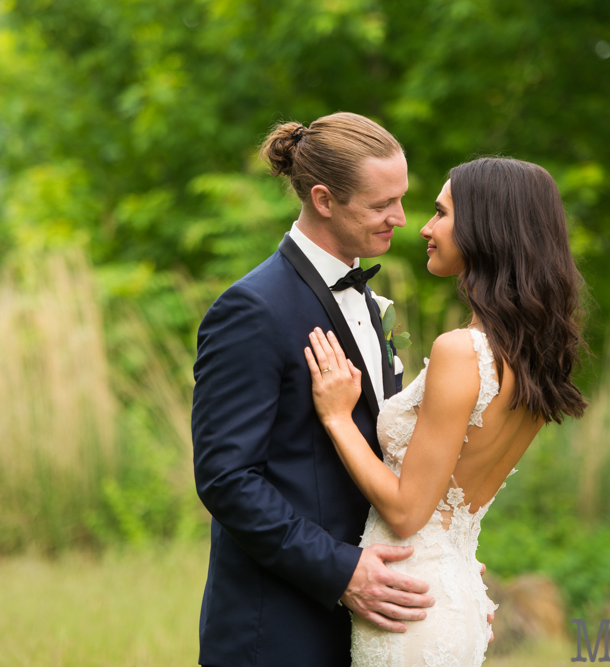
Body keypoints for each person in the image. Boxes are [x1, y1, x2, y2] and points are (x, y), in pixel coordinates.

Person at [304, 156, 589, 666]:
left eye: (440, 213)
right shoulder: (530, 359)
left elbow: (409, 511)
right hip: (452, 589)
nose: (424, 228)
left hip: (411, 606)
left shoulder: (463, 351)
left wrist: (336, 419)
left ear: (487, 228)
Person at [192, 112, 436, 667]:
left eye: (401, 199)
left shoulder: (375, 307)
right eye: (381, 205)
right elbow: (226, 479)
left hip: (371, 622)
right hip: (278, 631)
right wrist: (342, 570)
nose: (401, 218)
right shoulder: (250, 309)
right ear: (324, 199)